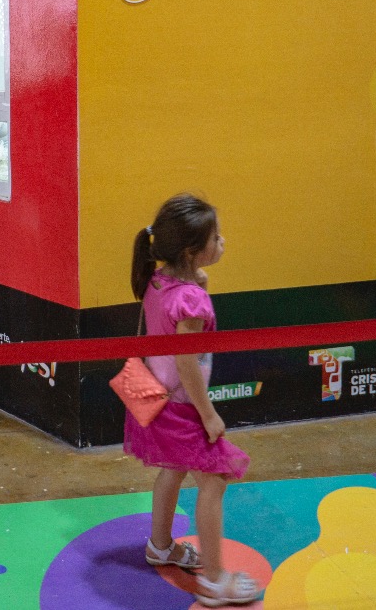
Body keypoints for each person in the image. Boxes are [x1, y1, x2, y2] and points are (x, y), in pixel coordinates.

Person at [125, 194, 259, 607]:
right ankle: (216, 582)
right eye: (215, 238)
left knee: (172, 468)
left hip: (149, 390)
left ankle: (161, 547)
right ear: (191, 251)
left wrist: (198, 281)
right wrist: (209, 414)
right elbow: (187, 364)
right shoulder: (191, 300)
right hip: (181, 405)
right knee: (214, 480)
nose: (223, 242)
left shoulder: (160, 279)